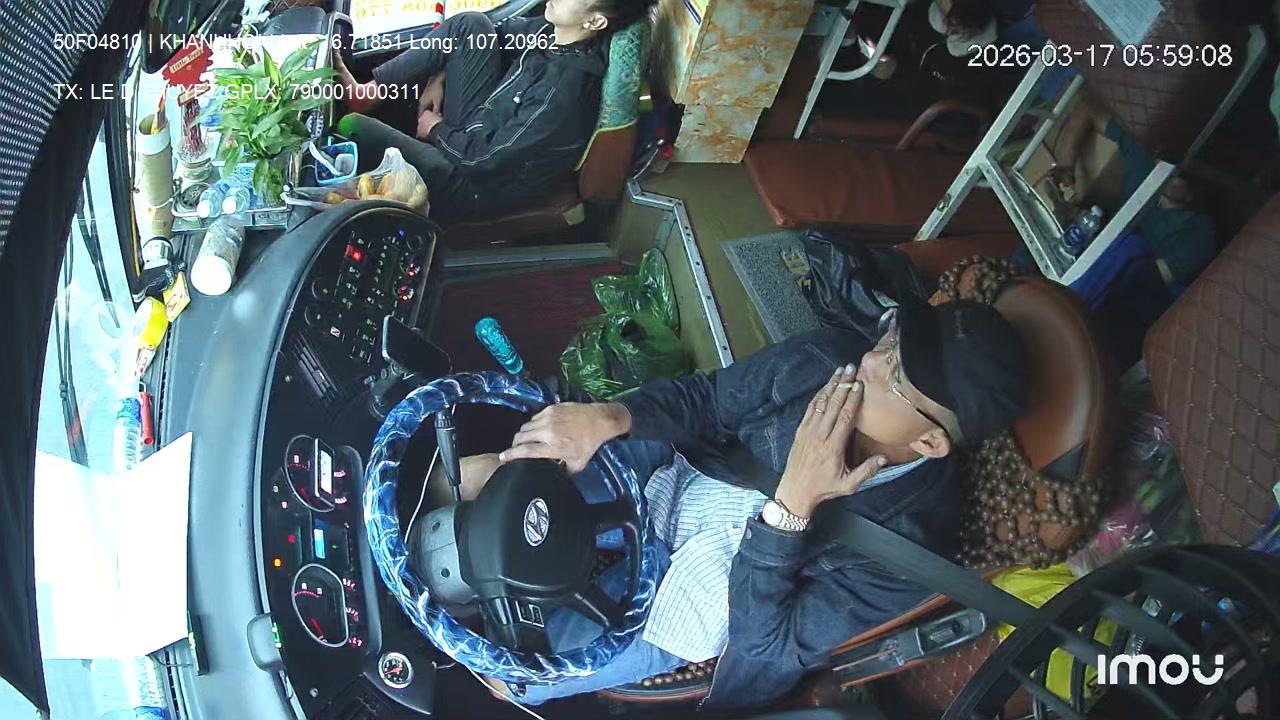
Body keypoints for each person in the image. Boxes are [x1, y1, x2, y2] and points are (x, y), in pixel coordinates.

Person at [445, 297, 1029, 708]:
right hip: (678, 474)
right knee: (484, 478)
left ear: (929, 441)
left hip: (709, 594)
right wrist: (612, 416)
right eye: (892, 340)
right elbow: (708, 401)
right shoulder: (829, 358)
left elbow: (765, 651)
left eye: (896, 377)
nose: (871, 363)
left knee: (519, 672)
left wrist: (790, 512)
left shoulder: (909, 549)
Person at [332, 1, 649, 224]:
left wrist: (436, 128)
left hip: (476, 184)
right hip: (479, 127)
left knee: (353, 127)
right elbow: (489, 33)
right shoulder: (550, 33)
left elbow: (483, 160)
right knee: (471, 24)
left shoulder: (561, 96)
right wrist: (439, 76)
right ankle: (367, 94)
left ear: (595, 22)